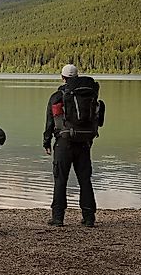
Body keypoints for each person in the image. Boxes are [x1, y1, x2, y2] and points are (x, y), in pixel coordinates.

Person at [43, 64, 103, 228]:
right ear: (77, 76)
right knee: (85, 179)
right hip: (84, 142)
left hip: (64, 143)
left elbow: (50, 121)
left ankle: (58, 217)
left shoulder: (58, 96)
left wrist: (46, 142)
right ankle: (89, 217)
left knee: (60, 179)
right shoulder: (89, 94)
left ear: (63, 77)